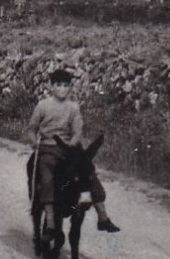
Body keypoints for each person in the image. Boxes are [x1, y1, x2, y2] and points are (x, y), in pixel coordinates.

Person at [28, 68, 120, 232]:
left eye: (65, 85)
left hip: (70, 148)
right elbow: (32, 128)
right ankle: (49, 222)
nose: (62, 89)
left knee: (88, 172)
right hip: (48, 148)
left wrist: (72, 146)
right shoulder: (42, 106)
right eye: (58, 85)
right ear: (51, 86)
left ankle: (103, 217)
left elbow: (78, 131)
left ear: (70, 87)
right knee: (47, 178)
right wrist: (35, 142)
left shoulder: (73, 107)